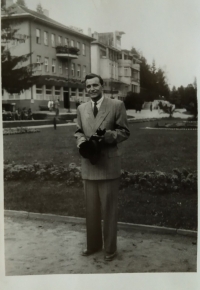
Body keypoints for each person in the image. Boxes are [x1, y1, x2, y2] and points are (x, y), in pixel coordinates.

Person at [74, 73, 130, 261]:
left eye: (95, 85)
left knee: (109, 210)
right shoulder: (82, 108)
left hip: (108, 164)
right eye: (88, 86)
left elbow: (124, 132)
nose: (91, 89)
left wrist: (107, 136)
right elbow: (78, 130)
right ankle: (93, 245)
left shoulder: (116, 105)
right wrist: (82, 144)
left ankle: (110, 249)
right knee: (91, 210)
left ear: (102, 86)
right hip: (89, 163)